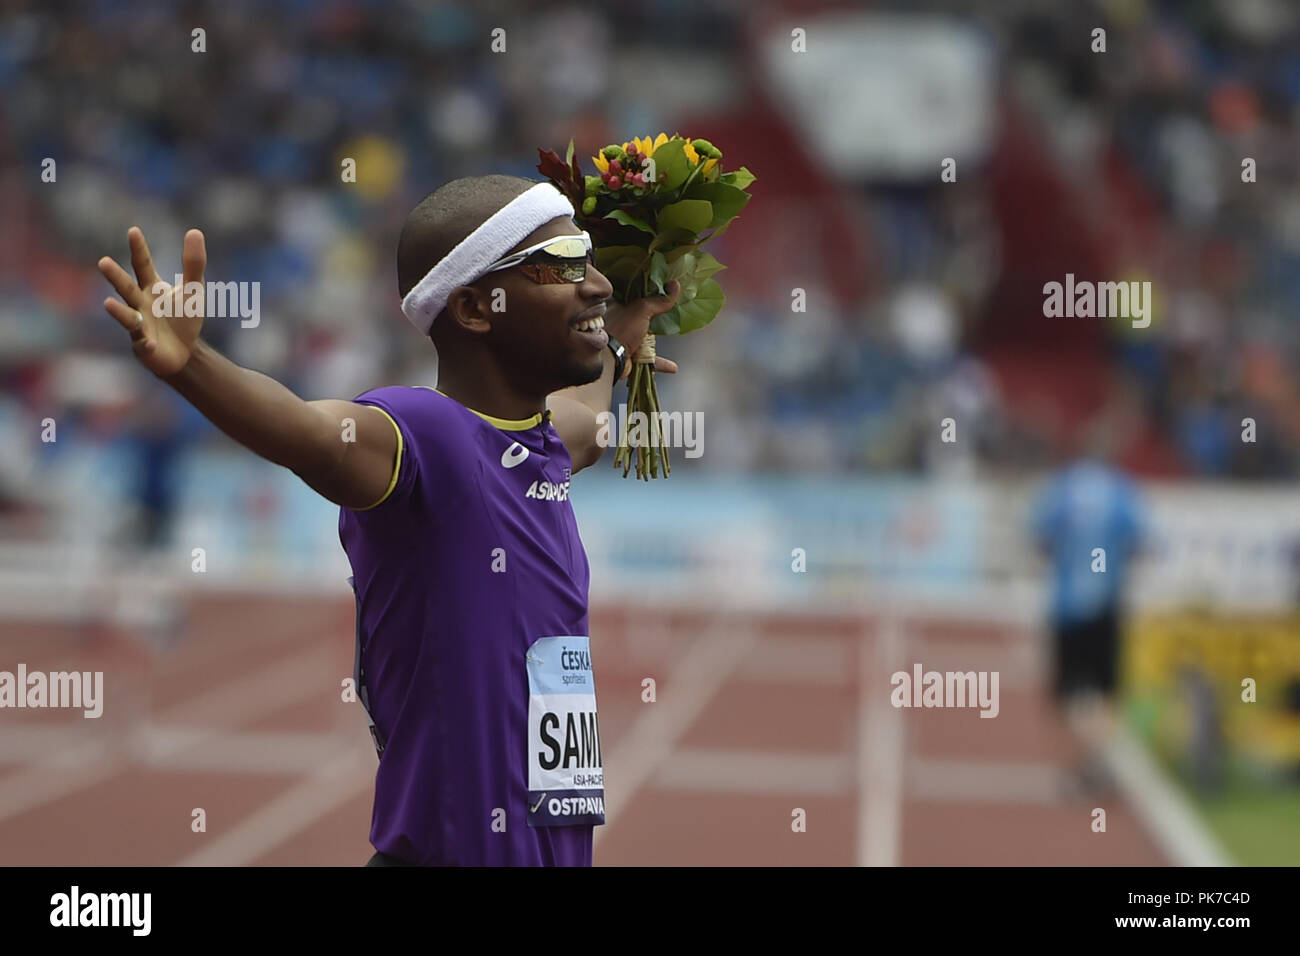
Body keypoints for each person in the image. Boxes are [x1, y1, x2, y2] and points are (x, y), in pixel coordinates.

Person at [97, 175, 681, 865]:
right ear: (474, 307)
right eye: (558, 267)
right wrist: (192, 365)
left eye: (586, 260)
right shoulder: (428, 434)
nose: (594, 284)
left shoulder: (545, 447)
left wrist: (614, 345)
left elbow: (589, 422)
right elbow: (311, 433)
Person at [1030, 428, 1145, 798]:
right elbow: (1141, 541)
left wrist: (1066, 563)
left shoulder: (1062, 489)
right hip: (1107, 603)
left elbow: (1039, 537)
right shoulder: (1120, 490)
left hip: (1068, 604)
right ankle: (1097, 760)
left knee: (1067, 695)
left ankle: (1093, 764)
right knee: (1104, 691)